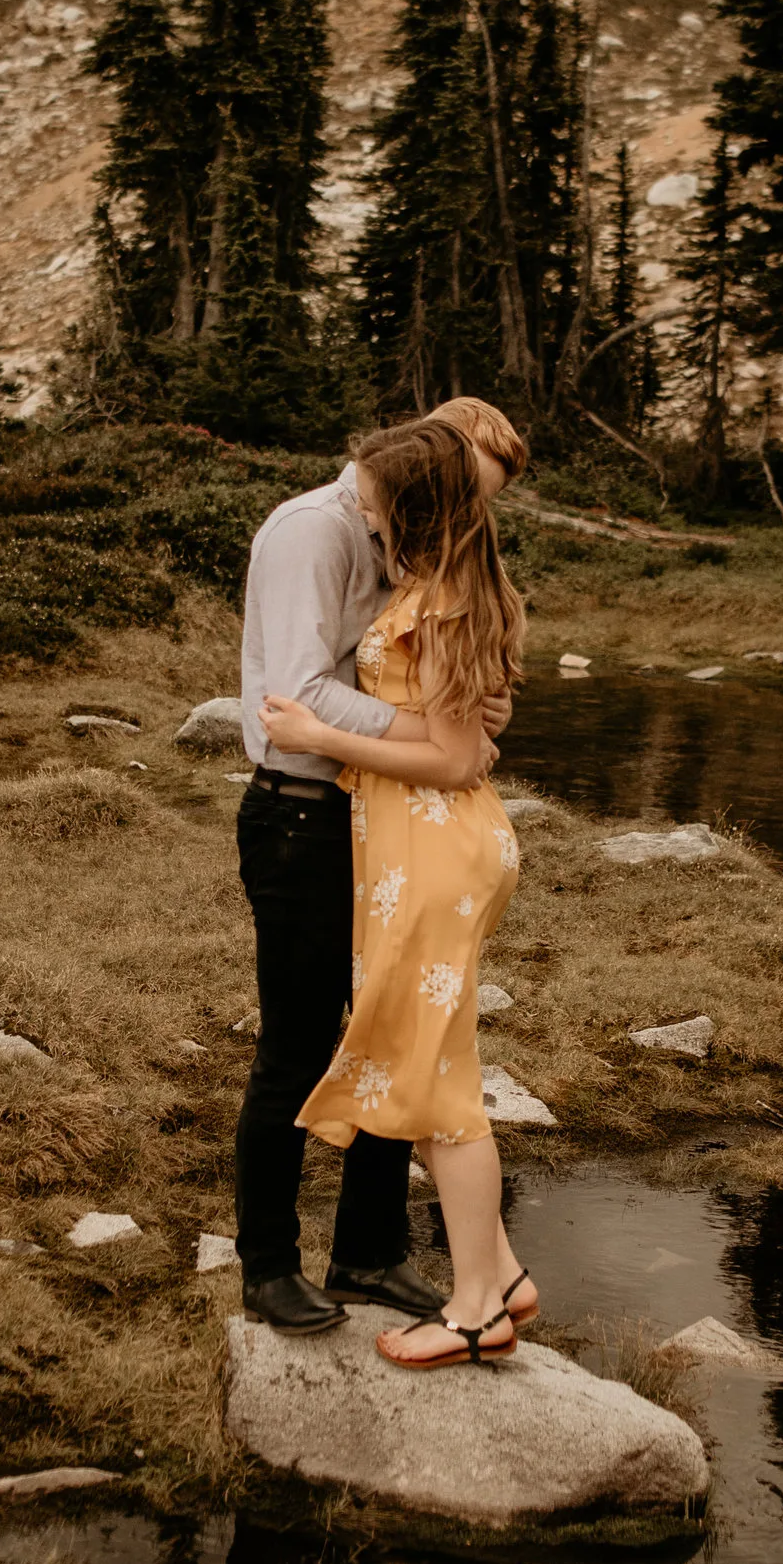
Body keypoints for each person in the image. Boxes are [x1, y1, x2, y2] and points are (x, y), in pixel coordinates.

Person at [231, 400, 525, 1334]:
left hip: (376, 821)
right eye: (462, 504)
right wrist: (446, 739)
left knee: (387, 1030)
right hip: (302, 815)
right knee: (298, 1045)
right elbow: (299, 692)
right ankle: (268, 1265)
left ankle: (367, 1250)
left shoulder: (404, 541)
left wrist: (468, 714)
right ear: (425, 485)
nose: (464, 530)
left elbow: (428, 671)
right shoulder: (311, 536)